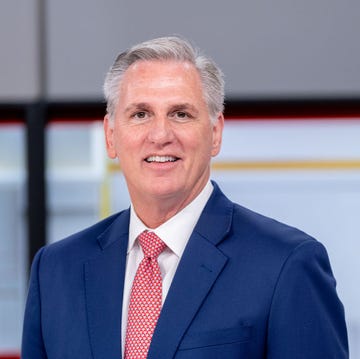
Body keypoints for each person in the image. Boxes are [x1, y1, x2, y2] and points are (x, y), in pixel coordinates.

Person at [22, 36, 348, 358]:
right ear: (111, 136)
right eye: (140, 114)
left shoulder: (287, 264)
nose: (161, 135)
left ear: (215, 133)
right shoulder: (56, 270)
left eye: (181, 114)